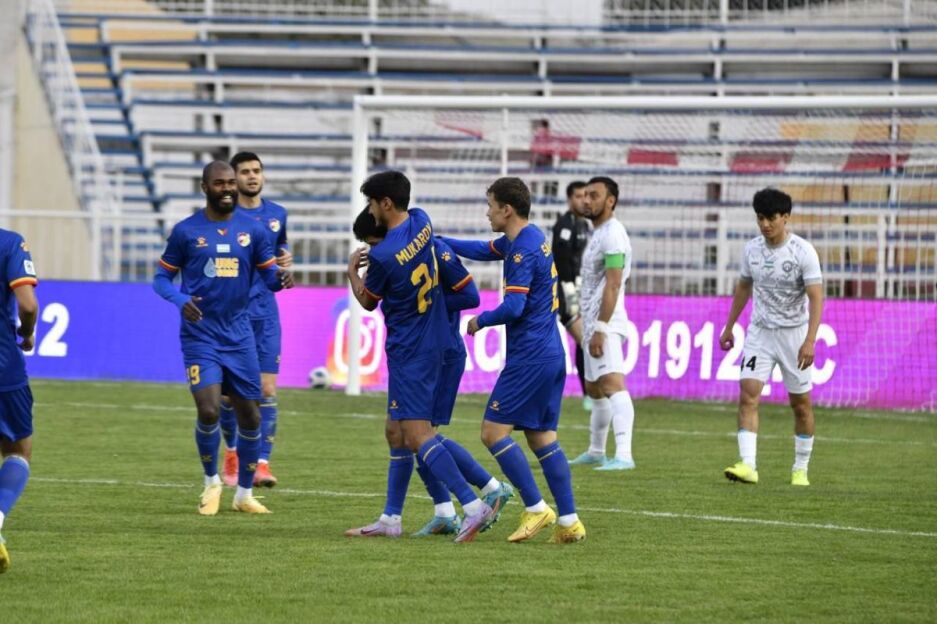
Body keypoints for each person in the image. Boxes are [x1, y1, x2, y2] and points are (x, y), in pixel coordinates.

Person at [344, 171, 496, 543]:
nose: (370, 210)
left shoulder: (383, 257)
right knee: (395, 431)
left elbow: (368, 302)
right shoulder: (422, 221)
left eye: (371, 203)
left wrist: (352, 273)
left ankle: (472, 505)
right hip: (428, 341)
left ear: (385, 203)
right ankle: (391, 518)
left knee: (417, 435)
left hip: (411, 348)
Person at [440, 177, 586, 544]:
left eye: (490, 206)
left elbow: (515, 306)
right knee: (542, 438)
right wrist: (439, 243)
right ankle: (569, 521)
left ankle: (536, 508)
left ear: (506, 209)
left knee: (492, 432)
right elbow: (481, 248)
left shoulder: (521, 252)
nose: (487, 212)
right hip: (550, 353)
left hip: (530, 357)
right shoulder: (529, 237)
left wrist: (481, 320)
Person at [153, 161, 294, 516]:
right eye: (220, 183)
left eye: (231, 182)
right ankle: (211, 480)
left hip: (240, 336)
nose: (228, 188)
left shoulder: (253, 230)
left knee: (251, 417)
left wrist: (282, 278)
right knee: (209, 408)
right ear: (205, 187)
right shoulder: (186, 231)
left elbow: (269, 277)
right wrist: (180, 300)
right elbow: (160, 279)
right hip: (200, 336)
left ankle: (243, 494)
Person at [720, 188, 824, 487]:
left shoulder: (803, 252)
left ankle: (800, 469)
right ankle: (748, 465)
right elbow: (744, 287)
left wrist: (810, 340)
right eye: (760, 218)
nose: (765, 224)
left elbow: (816, 298)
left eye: (771, 218)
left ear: (785, 217)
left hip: (794, 335)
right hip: (760, 333)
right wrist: (729, 326)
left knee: (801, 405)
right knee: (748, 393)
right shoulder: (751, 250)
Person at [218, 152, 292, 489]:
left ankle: (261, 463)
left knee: (266, 389)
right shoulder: (223, 216)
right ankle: (233, 456)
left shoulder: (277, 214)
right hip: (231, 315)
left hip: (265, 314)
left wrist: (284, 260)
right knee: (228, 395)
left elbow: (280, 249)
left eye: (257, 170)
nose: (252, 176)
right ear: (234, 178)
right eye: (245, 171)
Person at [567, 176, 636, 471]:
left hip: (606, 323)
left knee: (612, 384)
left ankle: (624, 455)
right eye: (585, 195)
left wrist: (601, 328)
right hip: (593, 321)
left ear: (611, 201)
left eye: (594, 195)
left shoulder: (614, 235)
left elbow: (614, 283)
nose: (587, 200)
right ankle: (596, 451)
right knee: (594, 388)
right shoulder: (598, 232)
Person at [0, 228, 39, 573]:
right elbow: (28, 304)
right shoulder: (9, 243)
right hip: (3, 369)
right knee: (17, 451)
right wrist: (26, 333)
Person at [551, 180, 591, 410]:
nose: (583, 200)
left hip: (577, 290)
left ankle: (590, 393)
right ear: (569, 199)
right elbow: (561, 260)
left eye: (586, 196)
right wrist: (569, 289)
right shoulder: (564, 225)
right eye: (578, 196)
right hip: (564, 292)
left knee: (584, 341)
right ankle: (589, 395)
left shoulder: (584, 225)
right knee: (585, 340)